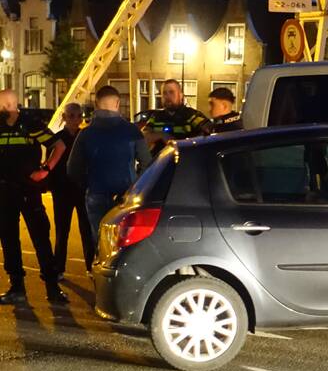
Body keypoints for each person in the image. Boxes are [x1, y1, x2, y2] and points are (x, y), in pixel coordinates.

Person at [0, 89, 67, 304]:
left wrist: (45, 169)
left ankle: (52, 286)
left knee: (40, 237)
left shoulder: (31, 124)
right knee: (8, 238)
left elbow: (59, 146)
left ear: (8, 104)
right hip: (4, 191)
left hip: (28, 190)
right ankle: (16, 286)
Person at [67, 86, 152, 245]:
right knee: (124, 243)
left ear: (96, 104)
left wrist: (89, 183)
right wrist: (135, 186)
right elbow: (147, 163)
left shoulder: (86, 134)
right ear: (118, 103)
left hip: (96, 194)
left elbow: (73, 169)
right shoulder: (132, 131)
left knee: (101, 242)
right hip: (125, 196)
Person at [51, 103, 94, 278]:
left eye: (78, 116)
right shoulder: (58, 139)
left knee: (86, 229)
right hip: (62, 190)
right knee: (62, 230)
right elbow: (52, 164)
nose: (76, 120)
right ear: (64, 117)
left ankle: (90, 266)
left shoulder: (85, 138)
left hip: (82, 189)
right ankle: (59, 267)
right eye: (71, 116)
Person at [136, 79, 211, 152]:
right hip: (160, 162)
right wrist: (161, 135)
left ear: (181, 95)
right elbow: (143, 137)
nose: (168, 96)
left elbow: (209, 131)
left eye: (171, 92)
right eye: (164, 93)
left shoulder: (191, 115)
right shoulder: (156, 117)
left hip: (184, 162)